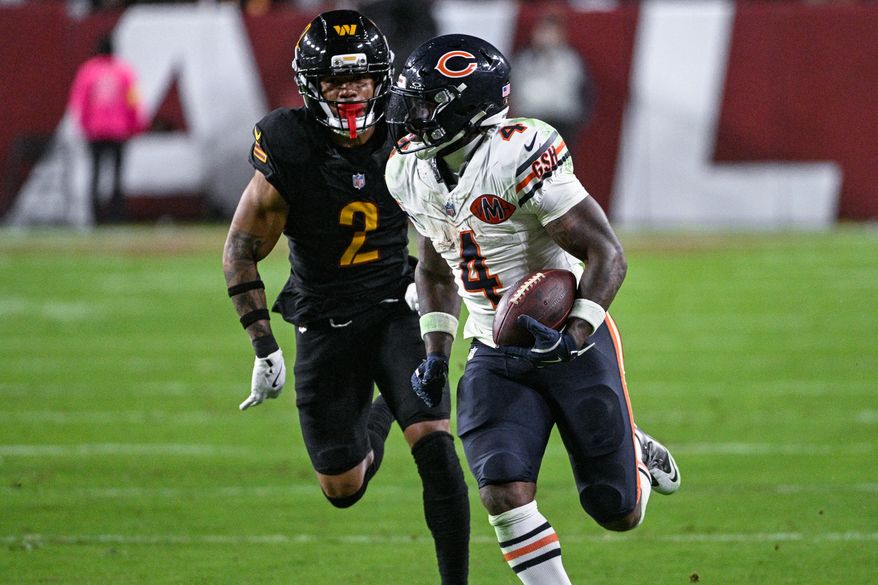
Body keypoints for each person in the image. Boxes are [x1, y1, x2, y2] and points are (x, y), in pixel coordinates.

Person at [385, 35, 681, 584]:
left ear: (469, 110)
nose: (411, 117)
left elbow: (607, 254)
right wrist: (434, 352)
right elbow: (432, 268)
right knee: (501, 488)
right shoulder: (408, 171)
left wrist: (572, 334)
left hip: (570, 341)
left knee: (617, 511)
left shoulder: (517, 153)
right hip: (494, 350)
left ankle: (632, 450)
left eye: (426, 105)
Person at [221, 11, 470, 584]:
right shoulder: (289, 143)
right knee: (343, 487)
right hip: (324, 316)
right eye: (336, 81)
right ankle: (384, 410)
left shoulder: (410, 131)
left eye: (359, 79)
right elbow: (239, 250)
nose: (350, 91)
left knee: (436, 448)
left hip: (396, 304)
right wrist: (263, 345)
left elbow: (454, 213)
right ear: (312, 86)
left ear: (381, 79)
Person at [67, 34, 147, 223]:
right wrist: (136, 126)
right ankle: (116, 217)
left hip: (95, 132)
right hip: (119, 131)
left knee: (95, 174)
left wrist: (84, 126)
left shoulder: (88, 71)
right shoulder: (124, 72)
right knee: (117, 176)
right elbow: (133, 101)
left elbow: (80, 102)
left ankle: (94, 217)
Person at [511, 12, 595, 144]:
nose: (546, 37)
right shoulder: (524, 60)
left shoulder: (571, 60)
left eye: (552, 32)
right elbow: (514, 90)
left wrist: (580, 118)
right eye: (542, 31)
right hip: (532, 121)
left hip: (562, 122)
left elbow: (585, 90)